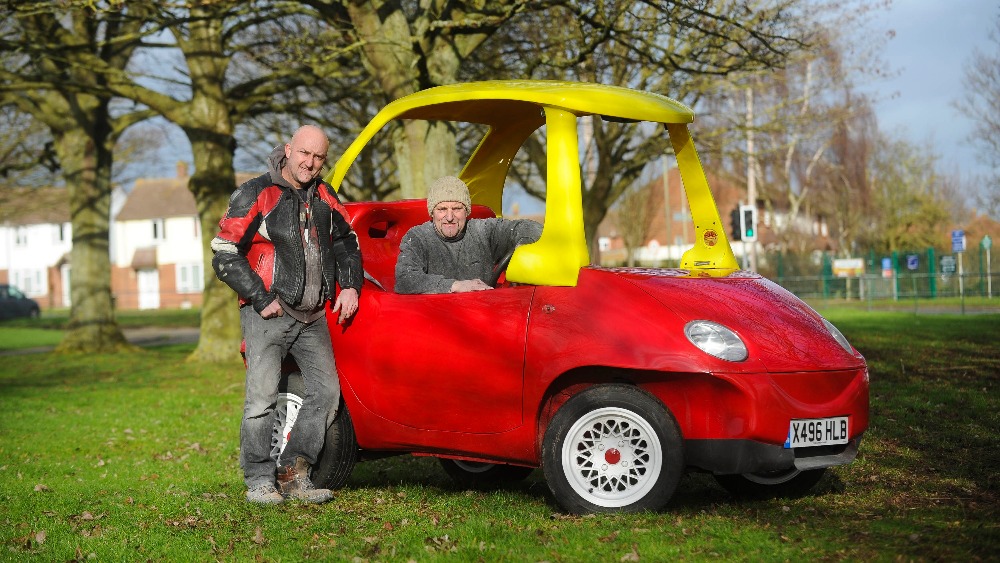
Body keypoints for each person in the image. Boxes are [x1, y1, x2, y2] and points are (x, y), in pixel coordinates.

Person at [211, 125, 363, 505]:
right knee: (261, 400)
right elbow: (223, 252)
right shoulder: (257, 192)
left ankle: (295, 473)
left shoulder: (326, 195)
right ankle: (259, 481)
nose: (310, 163)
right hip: (268, 314)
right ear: (289, 149)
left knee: (326, 393)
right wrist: (261, 299)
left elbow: (348, 241)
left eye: (318, 158)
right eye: (304, 154)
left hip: (312, 316)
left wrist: (350, 285)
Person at [395, 176, 542, 294]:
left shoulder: (483, 230)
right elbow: (405, 279)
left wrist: (524, 248)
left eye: (457, 208)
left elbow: (530, 227)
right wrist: (455, 286)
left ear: (467, 211)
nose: (450, 217)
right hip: (437, 321)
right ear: (432, 213)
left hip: (485, 315)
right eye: (442, 209)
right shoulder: (417, 237)